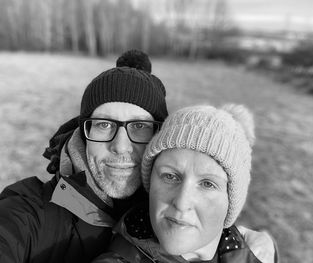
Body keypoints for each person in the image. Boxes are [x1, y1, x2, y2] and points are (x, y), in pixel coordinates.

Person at [0, 50, 275, 263]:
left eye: (140, 127)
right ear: (84, 133)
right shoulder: (30, 212)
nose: (120, 147)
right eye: (104, 124)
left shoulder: (172, 213)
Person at [93, 104, 278, 263]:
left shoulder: (251, 254)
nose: (182, 202)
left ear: (231, 202)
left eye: (207, 184)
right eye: (170, 177)